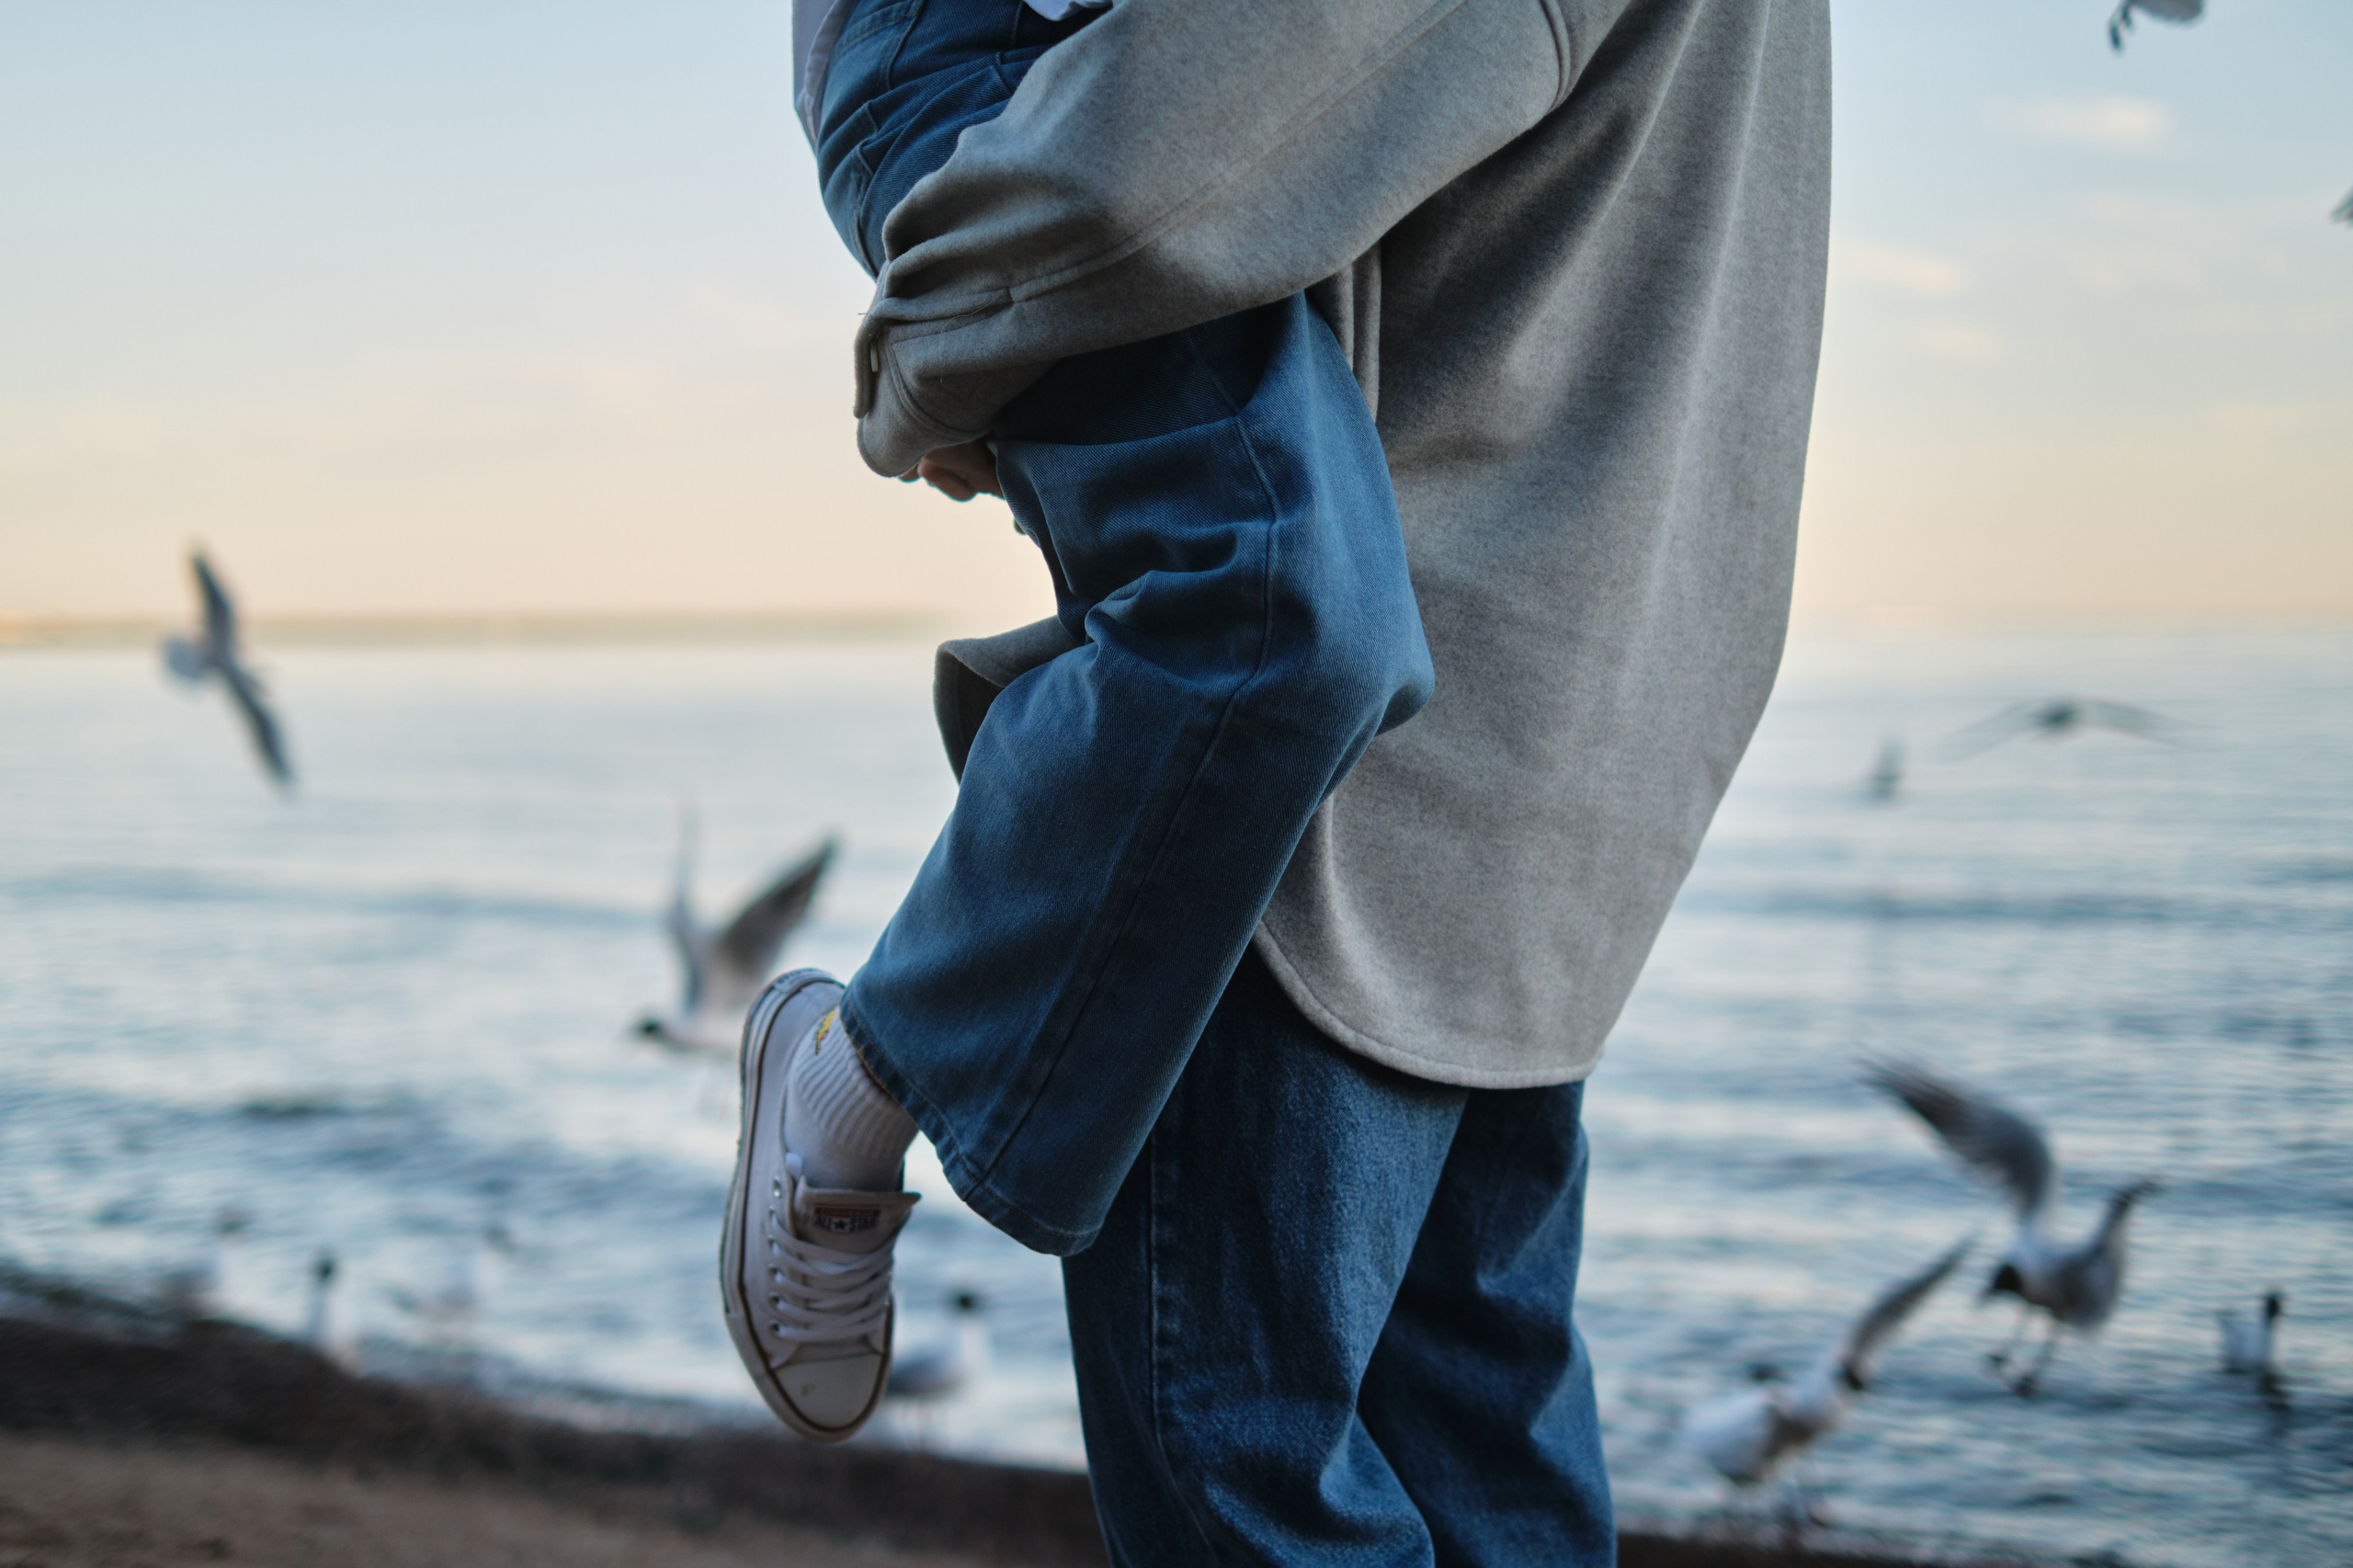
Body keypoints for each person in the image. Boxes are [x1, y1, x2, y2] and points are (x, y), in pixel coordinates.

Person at [721, 1, 1830, 1563]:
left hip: (1473, 776)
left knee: (1446, 1492)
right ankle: (863, 1076)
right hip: (1461, 784)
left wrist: (941, 348)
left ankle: (869, 1062)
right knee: (1274, 603)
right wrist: (959, 327)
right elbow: (1166, 139)